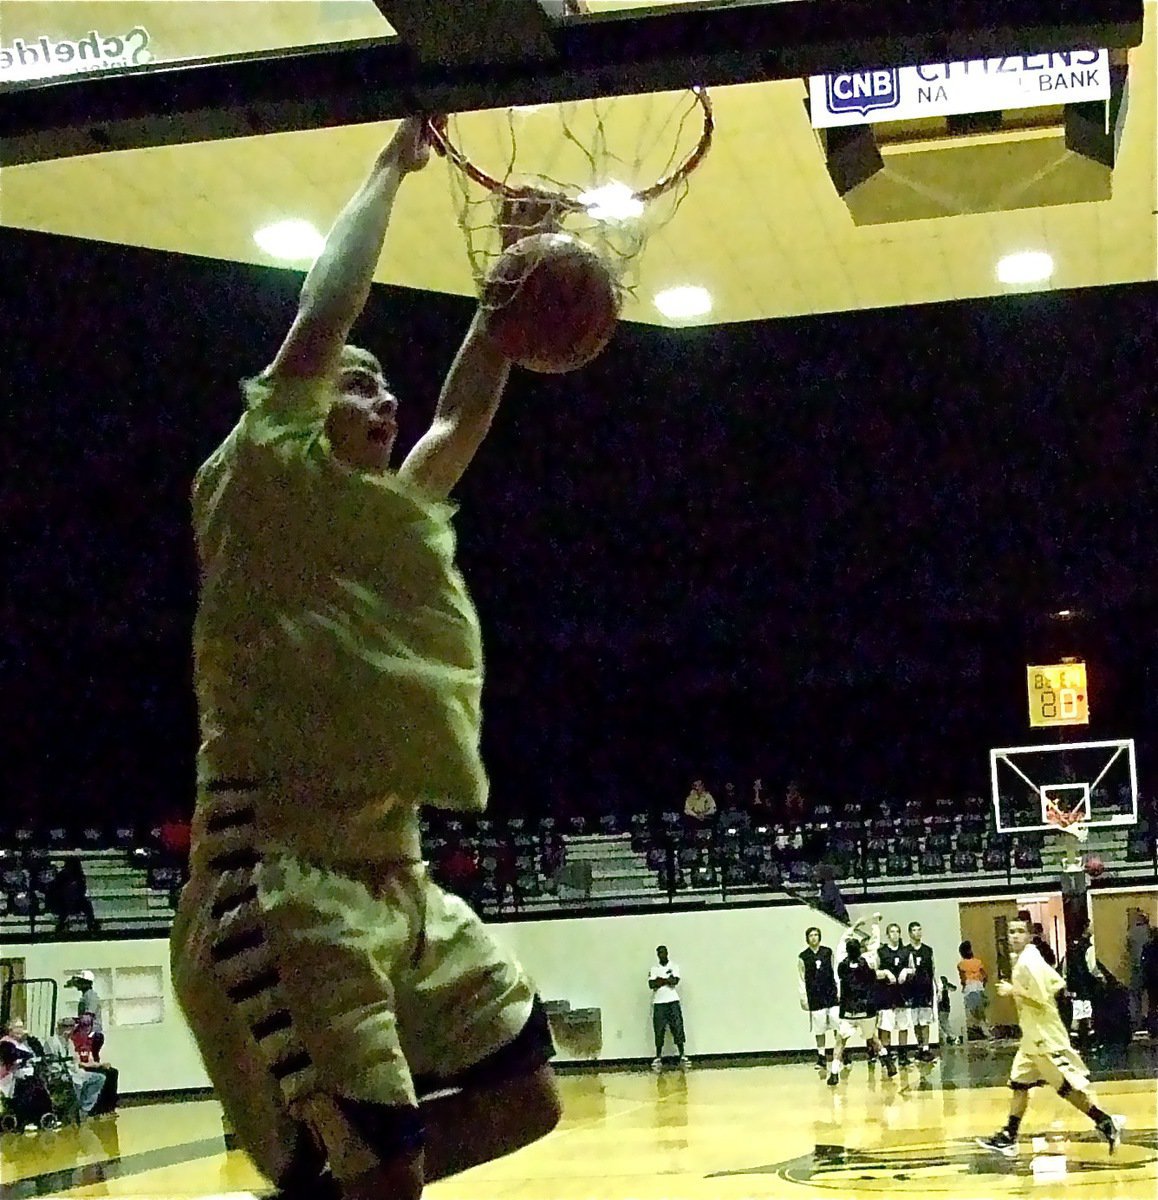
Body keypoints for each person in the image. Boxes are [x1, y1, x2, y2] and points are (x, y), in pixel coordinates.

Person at [168, 118, 561, 1200]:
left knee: (528, 1097)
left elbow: (457, 421)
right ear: (297, 407)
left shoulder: (369, 527)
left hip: (395, 872)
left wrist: (500, 312)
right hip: (281, 879)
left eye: (384, 388)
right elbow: (324, 312)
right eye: (359, 386)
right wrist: (395, 165)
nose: (382, 401)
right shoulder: (253, 483)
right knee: (380, 1171)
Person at [977, 918, 1122, 1157]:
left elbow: (1042, 997)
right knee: (1019, 1083)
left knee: (1065, 1087)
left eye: (1020, 931)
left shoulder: (1028, 962)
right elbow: (1057, 982)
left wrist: (1013, 990)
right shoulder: (1030, 957)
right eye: (1011, 931)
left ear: (1030, 935)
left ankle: (1105, 1122)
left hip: (1044, 1037)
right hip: (1031, 1037)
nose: (1014, 936)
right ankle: (1009, 1136)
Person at [829, 920, 896, 1086]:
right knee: (873, 1038)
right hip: (866, 1009)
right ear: (859, 950)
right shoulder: (867, 963)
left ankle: (834, 1072)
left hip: (848, 1010)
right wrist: (875, 926)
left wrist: (853, 927)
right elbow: (874, 946)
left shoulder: (841, 965)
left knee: (840, 1041)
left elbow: (841, 944)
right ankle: (887, 1061)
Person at [43, 1016, 106, 1117]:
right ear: (60, 1028)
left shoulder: (70, 1042)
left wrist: (79, 1069)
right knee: (74, 1082)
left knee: (99, 1078)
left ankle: (85, 1108)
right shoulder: (52, 1043)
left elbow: (75, 1061)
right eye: (66, 1027)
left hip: (74, 1071)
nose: (68, 1030)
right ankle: (73, 1111)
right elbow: (52, 1064)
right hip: (59, 1073)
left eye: (71, 1027)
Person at [798, 927, 839, 1073]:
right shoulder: (803, 956)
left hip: (831, 995)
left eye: (816, 935)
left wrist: (839, 990)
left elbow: (835, 972)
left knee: (837, 1026)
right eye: (811, 935)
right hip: (815, 996)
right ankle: (821, 1057)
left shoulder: (827, 952)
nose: (814, 938)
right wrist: (804, 998)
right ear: (807, 938)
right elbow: (802, 979)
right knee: (819, 1029)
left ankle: (840, 1054)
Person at [875, 923, 913, 1066]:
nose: (895, 934)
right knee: (886, 1026)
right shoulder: (882, 952)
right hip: (886, 994)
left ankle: (903, 1054)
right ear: (888, 935)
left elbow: (913, 969)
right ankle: (887, 1055)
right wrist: (885, 973)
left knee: (903, 1026)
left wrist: (906, 971)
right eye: (892, 932)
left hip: (902, 994)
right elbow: (874, 972)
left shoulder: (905, 952)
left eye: (897, 931)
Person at [649, 945, 688, 1071]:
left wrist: (661, 981)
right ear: (657, 955)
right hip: (659, 1003)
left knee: (677, 1027)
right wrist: (665, 981)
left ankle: (682, 1055)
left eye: (664, 952)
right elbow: (652, 984)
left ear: (667, 953)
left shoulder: (674, 966)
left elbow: (674, 981)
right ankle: (658, 1056)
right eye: (659, 953)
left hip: (673, 1001)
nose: (662, 954)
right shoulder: (654, 969)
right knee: (659, 1030)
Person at [903, 922, 936, 1061]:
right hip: (911, 990)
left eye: (919, 929)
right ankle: (919, 1046)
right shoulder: (906, 951)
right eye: (914, 930)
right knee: (915, 1021)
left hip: (925, 989)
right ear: (910, 933)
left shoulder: (928, 950)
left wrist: (936, 986)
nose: (917, 932)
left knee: (925, 1021)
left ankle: (927, 1048)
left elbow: (933, 969)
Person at [957, 940, 991, 1041]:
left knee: (972, 1012)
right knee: (981, 1011)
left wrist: (963, 987)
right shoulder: (978, 962)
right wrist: (982, 985)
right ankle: (985, 1030)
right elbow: (985, 976)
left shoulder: (961, 964)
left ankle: (980, 1031)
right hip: (979, 986)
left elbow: (963, 979)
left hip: (969, 987)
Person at [67, 970, 105, 1061]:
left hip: (92, 1033)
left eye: (80, 981)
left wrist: (72, 1022)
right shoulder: (86, 996)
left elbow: (88, 1018)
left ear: (86, 983)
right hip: (88, 1032)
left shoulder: (91, 996)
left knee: (88, 1060)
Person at [1127, 911, 1151, 1032]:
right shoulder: (1149, 932)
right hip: (1149, 968)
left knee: (1135, 994)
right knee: (1149, 996)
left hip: (1136, 967)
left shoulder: (1131, 933)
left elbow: (1129, 948)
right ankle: (1148, 1019)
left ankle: (1136, 1020)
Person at [1141, 926, 1158, 1038]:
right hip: (1152, 980)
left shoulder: (1147, 947)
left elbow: (1144, 965)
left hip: (1152, 981)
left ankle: (1153, 1028)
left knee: (1153, 1005)